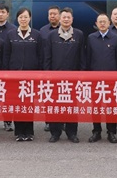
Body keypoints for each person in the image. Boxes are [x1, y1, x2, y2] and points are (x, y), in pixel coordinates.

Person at [44, 7, 85, 143]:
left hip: (73, 78)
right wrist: (47, 75)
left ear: (72, 19)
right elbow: (47, 57)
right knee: (54, 105)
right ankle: (55, 133)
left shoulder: (79, 34)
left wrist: (82, 75)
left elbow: (82, 56)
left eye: (68, 17)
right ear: (60, 19)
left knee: (72, 106)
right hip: (55, 78)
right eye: (64, 17)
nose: (66, 19)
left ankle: (72, 133)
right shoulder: (52, 35)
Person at [3, 7, 42, 141]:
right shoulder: (11, 34)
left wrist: (39, 74)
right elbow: (6, 55)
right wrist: (6, 74)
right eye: (21, 17)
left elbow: (40, 55)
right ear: (17, 19)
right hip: (15, 75)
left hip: (31, 75)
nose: (23, 19)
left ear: (30, 18)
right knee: (17, 103)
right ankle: (19, 132)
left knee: (29, 104)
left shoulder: (36, 35)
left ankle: (29, 132)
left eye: (25, 17)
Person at [86, 13, 117, 143]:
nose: (102, 24)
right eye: (100, 22)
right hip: (95, 79)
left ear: (109, 23)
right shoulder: (91, 38)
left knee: (111, 106)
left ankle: (111, 132)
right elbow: (88, 58)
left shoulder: (116, 38)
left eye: (104, 21)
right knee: (96, 106)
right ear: (96, 23)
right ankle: (96, 131)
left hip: (111, 80)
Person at [0, 2, 17, 132]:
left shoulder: (13, 29)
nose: (0, 14)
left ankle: (8, 121)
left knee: (8, 97)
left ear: (7, 14)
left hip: (8, 68)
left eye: (3, 12)